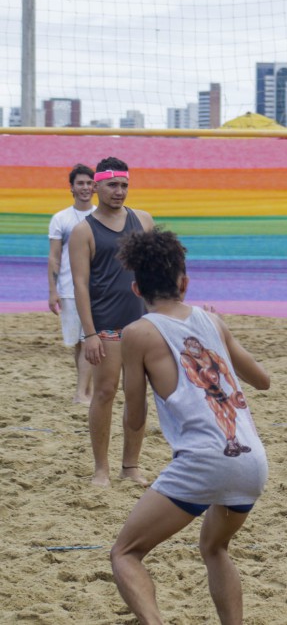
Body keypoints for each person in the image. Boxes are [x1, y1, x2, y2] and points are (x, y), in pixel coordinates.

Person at [110, 228, 269, 624]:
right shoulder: (213, 321)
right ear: (185, 282)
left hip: (203, 459)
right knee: (215, 548)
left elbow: (135, 416)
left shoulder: (138, 333)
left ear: (135, 289)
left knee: (125, 553)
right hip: (252, 461)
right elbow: (263, 380)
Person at [68, 157, 154, 487]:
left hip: (142, 325)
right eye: (112, 185)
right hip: (105, 326)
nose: (119, 192)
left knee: (137, 396)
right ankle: (101, 468)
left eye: (124, 185)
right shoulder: (83, 230)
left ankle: (130, 466)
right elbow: (79, 284)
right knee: (104, 392)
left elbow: (153, 271)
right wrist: (89, 333)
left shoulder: (143, 220)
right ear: (96, 186)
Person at [48, 164, 96, 405]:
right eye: (81, 183)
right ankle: (84, 390)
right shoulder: (61, 218)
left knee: (90, 337)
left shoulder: (102, 216)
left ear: (95, 186)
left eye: (89, 183)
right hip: (68, 289)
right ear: (72, 188)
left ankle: (82, 393)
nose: (85, 187)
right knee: (78, 342)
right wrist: (52, 291)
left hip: (97, 289)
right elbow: (54, 257)